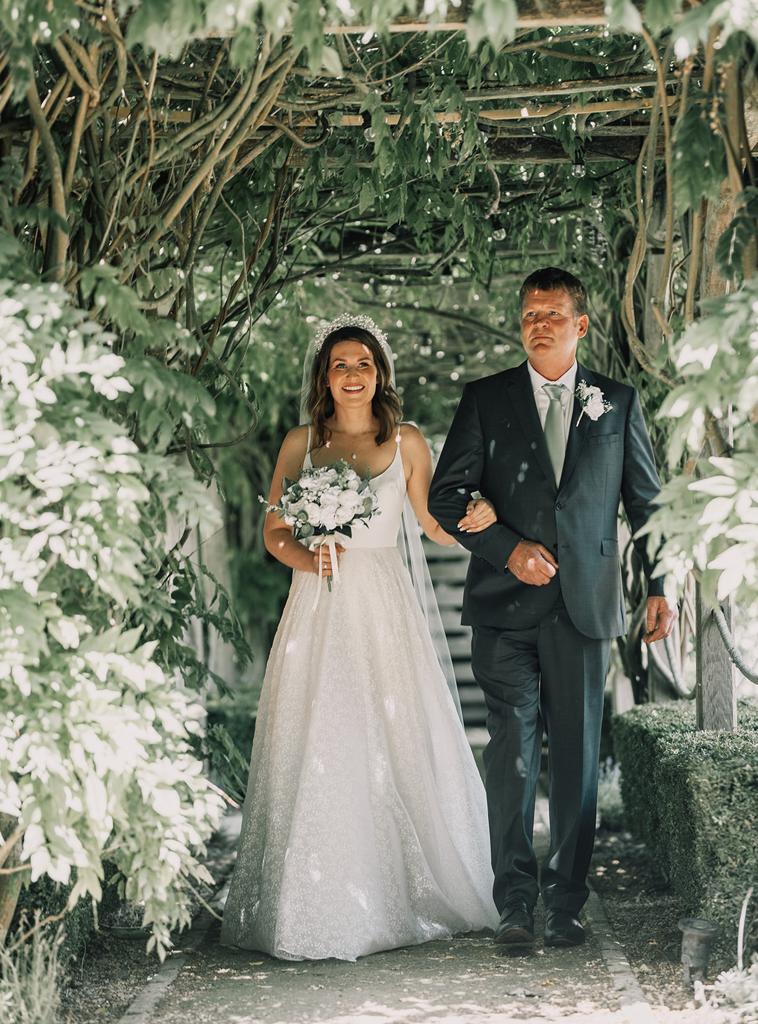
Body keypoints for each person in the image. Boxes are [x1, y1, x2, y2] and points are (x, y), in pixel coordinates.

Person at [221, 314, 500, 961]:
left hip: (382, 604)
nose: (352, 375)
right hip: (318, 603)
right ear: (325, 375)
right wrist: (308, 558)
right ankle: (315, 901)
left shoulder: (407, 443)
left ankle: (398, 889)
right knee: (323, 731)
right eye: (341, 364)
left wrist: (479, 521)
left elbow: (432, 523)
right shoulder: (299, 443)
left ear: (381, 375)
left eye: (364, 364)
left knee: (389, 732)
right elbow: (274, 533)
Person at [428, 267, 676, 950]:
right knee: (510, 757)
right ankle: (514, 903)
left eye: (554, 315)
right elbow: (447, 497)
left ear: (581, 325)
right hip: (503, 611)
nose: (540, 324)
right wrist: (508, 550)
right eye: (531, 314)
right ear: (521, 323)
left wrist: (659, 587)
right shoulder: (486, 399)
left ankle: (567, 901)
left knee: (576, 759)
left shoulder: (617, 402)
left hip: (584, 611)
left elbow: (648, 504)